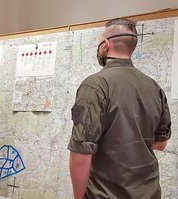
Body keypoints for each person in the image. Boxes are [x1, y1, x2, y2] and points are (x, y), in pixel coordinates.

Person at [68, 18, 171, 199]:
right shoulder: (154, 87)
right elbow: (161, 143)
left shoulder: (95, 85)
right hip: (151, 193)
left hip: (106, 194)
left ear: (106, 45)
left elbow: (81, 153)